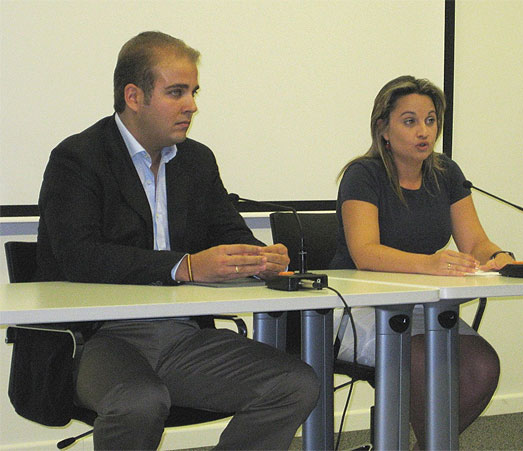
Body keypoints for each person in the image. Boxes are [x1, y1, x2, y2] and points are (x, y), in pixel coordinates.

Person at [34, 31, 319, 450]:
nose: (192, 105)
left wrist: (259, 257)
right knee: (140, 401)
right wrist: (183, 266)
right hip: (98, 338)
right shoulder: (79, 158)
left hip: (183, 336)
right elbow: (79, 257)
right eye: (176, 92)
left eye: (193, 91)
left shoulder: (196, 160)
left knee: (295, 383)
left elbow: (230, 233)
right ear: (134, 96)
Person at [330, 75, 512, 449]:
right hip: (358, 304)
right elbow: (365, 253)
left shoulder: (446, 173)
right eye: (409, 120)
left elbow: (475, 241)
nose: (424, 131)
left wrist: (498, 258)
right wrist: (429, 264)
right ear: (383, 128)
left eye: (430, 120)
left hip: (420, 307)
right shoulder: (363, 175)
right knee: (420, 359)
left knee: (482, 367)